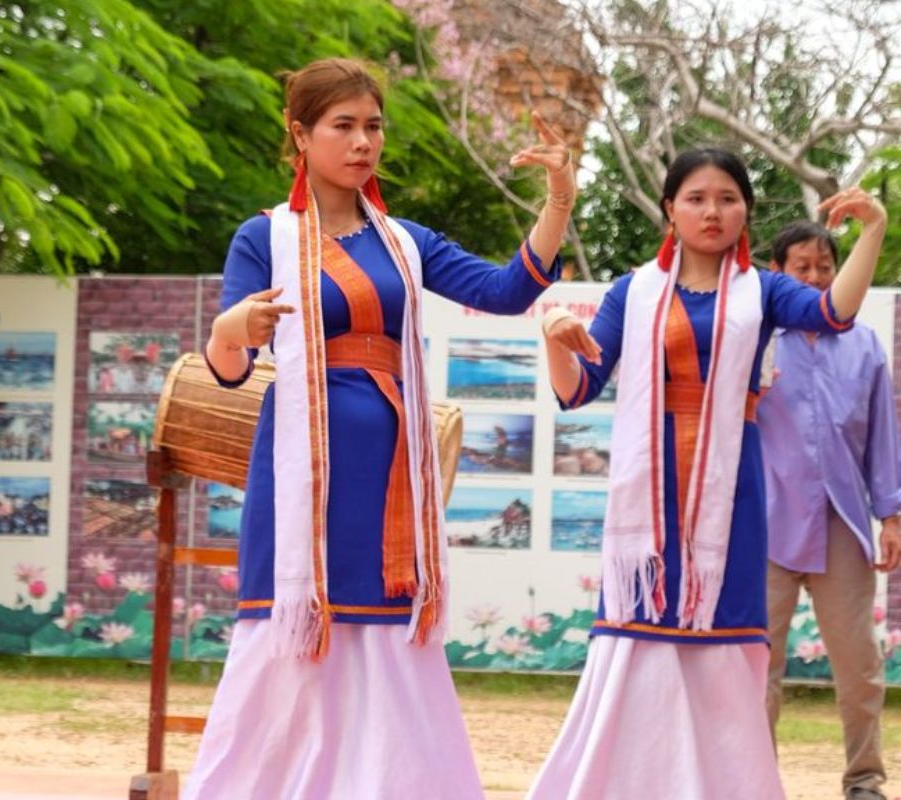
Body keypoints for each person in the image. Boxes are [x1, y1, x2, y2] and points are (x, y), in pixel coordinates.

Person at [182, 57, 575, 799]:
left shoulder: (403, 239)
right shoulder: (263, 236)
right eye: (344, 126)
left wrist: (557, 196)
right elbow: (230, 366)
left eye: (373, 126)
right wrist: (231, 327)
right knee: (293, 623)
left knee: (387, 627)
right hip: (301, 470)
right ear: (300, 135)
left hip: (391, 463)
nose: (363, 142)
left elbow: (507, 289)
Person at [532, 148, 886, 800]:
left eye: (727, 197)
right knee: (639, 632)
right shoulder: (633, 291)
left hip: (733, 493)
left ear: (746, 209)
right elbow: (578, 389)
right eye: (696, 198)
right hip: (649, 493)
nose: (713, 211)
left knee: (728, 640)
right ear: (670, 209)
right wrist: (555, 341)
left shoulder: (767, 290)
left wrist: (873, 230)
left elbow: (834, 312)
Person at [759, 215, 900, 800]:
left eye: (825, 267)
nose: (816, 278)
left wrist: (891, 516)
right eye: (802, 268)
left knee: (860, 669)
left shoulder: (864, 344)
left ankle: (864, 779)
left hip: (843, 526)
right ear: (776, 274)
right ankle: (754, 780)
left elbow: (883, 437)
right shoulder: (756, 340)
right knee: (755, 670)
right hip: (766, 528)